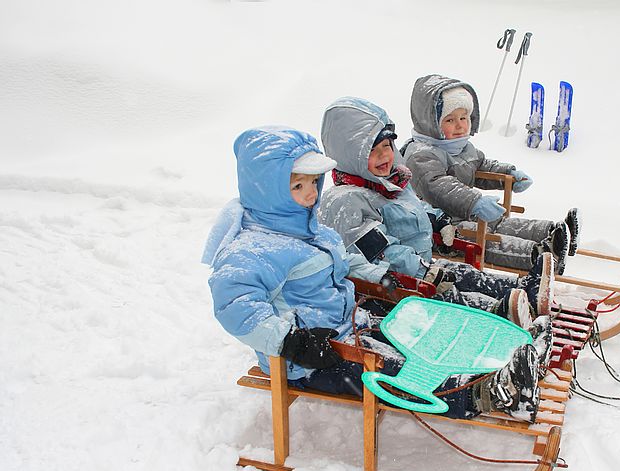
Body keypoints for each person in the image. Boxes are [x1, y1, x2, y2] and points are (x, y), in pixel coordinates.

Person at [202, 126, 549, 422]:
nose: (311, 194)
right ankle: (489, 393)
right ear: (269, 190)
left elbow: (344, 261)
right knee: (392, 371)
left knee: (422, 331)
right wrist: (290, 341)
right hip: (311, 357)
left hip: (353, 322)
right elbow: (236, 307)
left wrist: (380, 276)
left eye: (313, 182)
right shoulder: (250, 250)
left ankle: (505, 353)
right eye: (297, 187)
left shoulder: (306, 228)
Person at [317, 96, 556, 325]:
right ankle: (501, 315)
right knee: (454, 299)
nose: (384, 156)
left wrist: (439, 220)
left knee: (465, 273)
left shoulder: (387, 181)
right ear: (350, 155)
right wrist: (424, 271)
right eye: (372, 151)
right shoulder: (347, 201)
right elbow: (381, 252)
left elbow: (413, 207)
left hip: (423, 266)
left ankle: (527, 293)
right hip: (396, 287)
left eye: (387, 146)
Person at [402, 73, 579, 275]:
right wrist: (475, 201)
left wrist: (509, 175)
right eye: (450, 120)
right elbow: (438, 186)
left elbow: (480, 167)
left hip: (463, 212)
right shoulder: (420, 154)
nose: (460, 125)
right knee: (484, 236)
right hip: (438, 225)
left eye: (464, 117)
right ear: (430, 123)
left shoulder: (460, 147)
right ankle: (540, 255)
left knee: (499, 222)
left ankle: (554, 233)